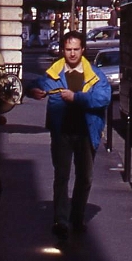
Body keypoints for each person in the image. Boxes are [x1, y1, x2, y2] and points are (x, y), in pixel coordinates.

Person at [30, 30, 111, 239]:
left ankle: (77, 217)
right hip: (62, 133)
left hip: (86, 132)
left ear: (83, 50)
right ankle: (61, 220)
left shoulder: (95, 75)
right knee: (61, 176)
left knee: (85, 177)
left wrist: (77, 98)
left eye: (76, 49)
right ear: (63, 50)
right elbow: (36, 85)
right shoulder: (54, 73)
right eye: (68, 49)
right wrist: (33, 91)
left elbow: (103, 98)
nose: (72, 53)